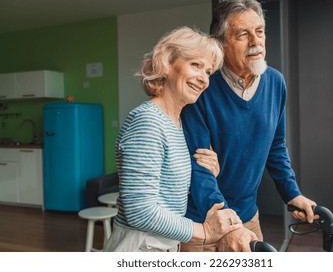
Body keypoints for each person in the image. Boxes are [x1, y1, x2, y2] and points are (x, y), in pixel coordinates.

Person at [180, 0, 317, 252]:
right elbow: (199, 168)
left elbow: (275, 146)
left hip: (248, 218)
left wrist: (292, 193)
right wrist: (229, 225)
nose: (256, 42)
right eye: (243, 34)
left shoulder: (275, 83)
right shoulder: (202, 88)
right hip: (204, 222)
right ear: (221, 44)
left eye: (260, 32)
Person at [103, 26, 242, 252]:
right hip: (140, 245)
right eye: (195, 65)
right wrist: (204, 232)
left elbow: (166, 194)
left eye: (208, 72)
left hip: (162, 243)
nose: (203, 79)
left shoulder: (175, 124)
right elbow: (140, 211)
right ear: (167, 64)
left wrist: (207, 171)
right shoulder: (147, 122)